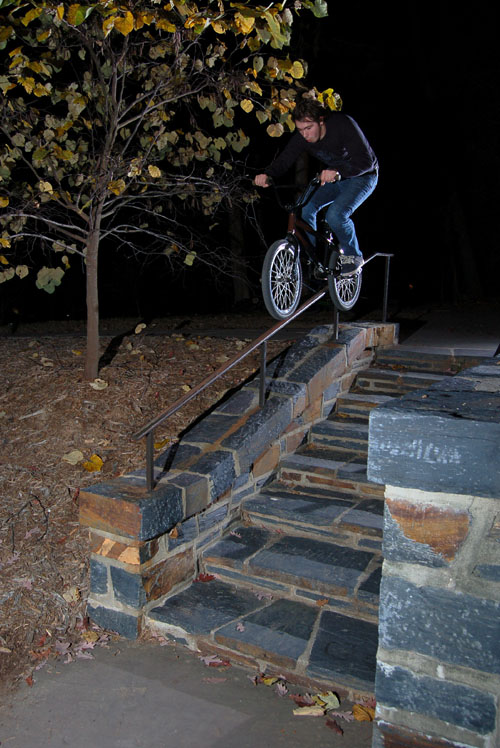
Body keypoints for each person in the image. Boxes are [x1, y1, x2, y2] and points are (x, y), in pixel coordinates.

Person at [254, 98, 378, 273]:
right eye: (300, 130)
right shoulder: (302, 138)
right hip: (335, 177)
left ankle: (354, 256)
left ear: (321, 120)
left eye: (308, 128)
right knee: (305, 207)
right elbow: (286, 158)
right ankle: (312, 257)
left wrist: (336, 171)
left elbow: (366, 161)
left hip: (362, 176)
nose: (305, 135)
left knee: (335, 215)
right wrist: (268, 174)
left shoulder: (342, 124)